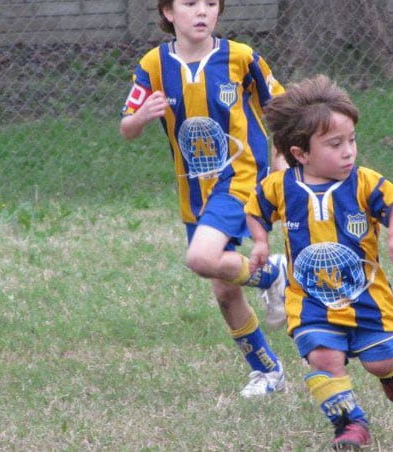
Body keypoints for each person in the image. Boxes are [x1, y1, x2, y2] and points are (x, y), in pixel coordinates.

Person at [119, 0, 288, 397]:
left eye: (211, 3)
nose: (202, 12)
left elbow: (281, 111)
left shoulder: (241, 57)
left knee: (200, 258)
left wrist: (281, 163)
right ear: (167, 12)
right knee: (225, 291)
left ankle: (274, 273)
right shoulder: (154, 65)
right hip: (194, 189)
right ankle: (268, 371)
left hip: (241, 177)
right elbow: (127, 127)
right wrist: (143, 115)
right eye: (190, 3)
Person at [245, 75, 393, 449]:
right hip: (310, 301)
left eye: (351, 140)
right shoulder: (281, 186)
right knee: (322, 357)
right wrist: (260, 242)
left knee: (379, 363)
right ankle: (350, 425)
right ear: (300, 153)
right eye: (335, 144)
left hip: (367, 298)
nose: (349, 151)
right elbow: (256, 210)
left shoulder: (364, 182)